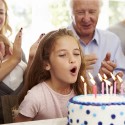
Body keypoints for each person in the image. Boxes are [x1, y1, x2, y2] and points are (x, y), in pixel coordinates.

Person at [15, 28, 92, 122]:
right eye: (63, 55)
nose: (73, 59)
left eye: (76, 54)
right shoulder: (35, 97)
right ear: (46, 64)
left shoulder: (83, 91)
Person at [67, 0, 125, 93]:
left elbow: (121, 79)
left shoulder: (112, 41)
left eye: (92, 12)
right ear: (71, 13)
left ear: (99, 12)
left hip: (104, 105)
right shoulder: (56, 41)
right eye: (80, 12)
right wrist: (73, 67)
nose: (86, 18)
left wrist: (114, 79)